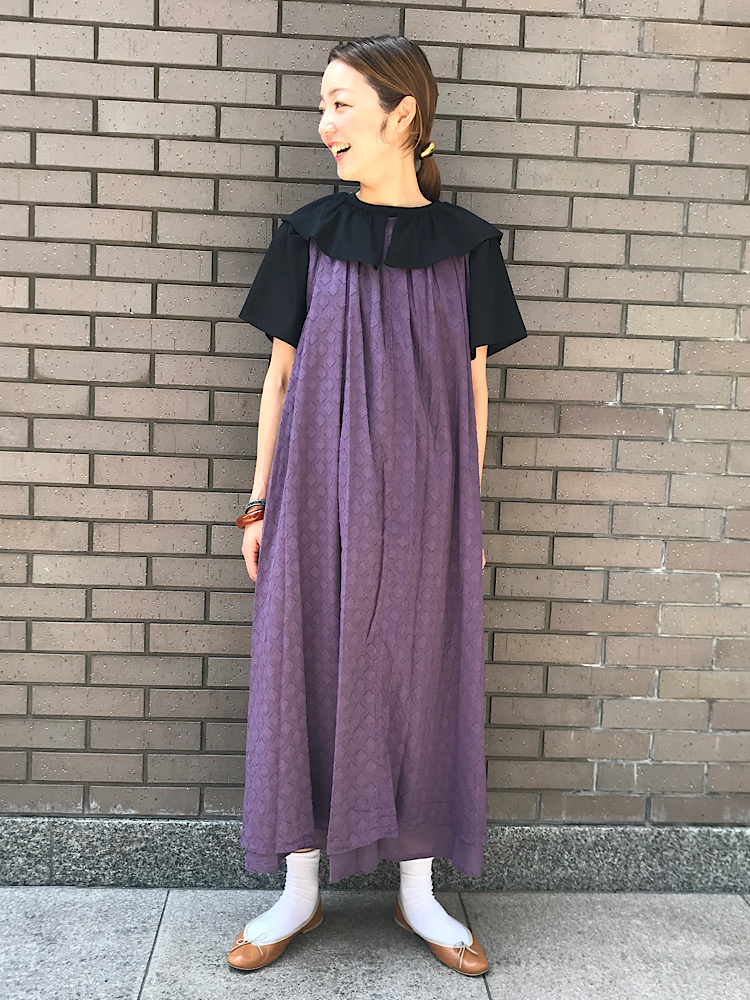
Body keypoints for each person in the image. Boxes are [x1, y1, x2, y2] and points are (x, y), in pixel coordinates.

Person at [226, 34, 527, 977]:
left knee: (421, 677)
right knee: (303, 667)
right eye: (322, 105)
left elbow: (473, 391)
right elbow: (280, 379)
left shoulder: (469, 247)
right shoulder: (309, 234)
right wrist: (258, 505)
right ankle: (299, 891)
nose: (324, 123)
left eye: (340, 103)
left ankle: (419, 893)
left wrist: (467, 512)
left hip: (428, 505)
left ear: (403, 114)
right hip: (313, 496)